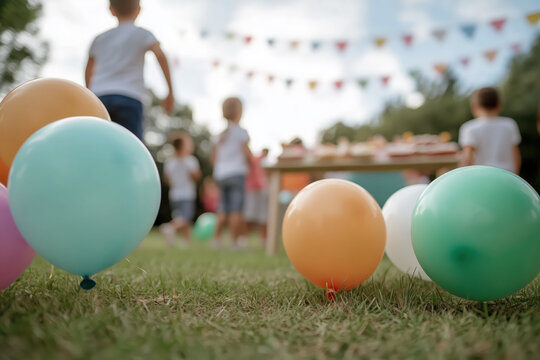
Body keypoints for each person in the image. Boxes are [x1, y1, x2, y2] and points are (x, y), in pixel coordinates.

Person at [85, 0, 174, 140]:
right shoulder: (143, 34)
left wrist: (89, 94)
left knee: (96, 143)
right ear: (138, 9)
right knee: (130, 148)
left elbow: (89, 70)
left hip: (99, 97)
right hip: (129, 97)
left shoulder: (99, 39)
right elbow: (161, 56)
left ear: (111, 10)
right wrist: (170, 92)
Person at [211, 97, 252, 249]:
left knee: (222, 208)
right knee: (236, 208)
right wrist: (251, 166)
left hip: (221, 174)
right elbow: (247, 154)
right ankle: (234, 241)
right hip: (236, 173)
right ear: (239, 112)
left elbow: (213, 159)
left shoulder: (218, 135)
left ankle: (216, 240)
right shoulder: (241, 132)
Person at [459, 87, 521, 174]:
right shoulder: (509, 124)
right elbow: (516, 156)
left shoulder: (469, 128)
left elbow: (467, 157)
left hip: (482, 176)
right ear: (499, 106)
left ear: (475, 106)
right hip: (507, 176)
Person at [160, 133, 201, 246]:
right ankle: (169, 227)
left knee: (180, 217)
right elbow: (196, 176)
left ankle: (186, 241)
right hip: (187, 194)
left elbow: (167, 180)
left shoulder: (170, 162)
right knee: (185, 218)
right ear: (183, 146)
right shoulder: (190, 160)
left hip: (174, 195)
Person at [243, 149, 269, 244]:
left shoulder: (265, 161)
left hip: (262, 189)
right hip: (251, 189)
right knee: (249, 215)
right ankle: (244, 238)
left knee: (263, 215)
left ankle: (264, 239)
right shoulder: (254, 159)